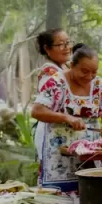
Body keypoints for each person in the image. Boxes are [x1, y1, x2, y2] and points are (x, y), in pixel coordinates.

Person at [31, 44, 102, 204]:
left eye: (94, 72)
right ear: (72, 65)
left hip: (90, 151)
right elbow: (37, 111)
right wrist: (66, 118)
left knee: (91, 190)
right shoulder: (56, 82)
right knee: (61, 197)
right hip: (58, 150)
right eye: (84, 71)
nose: (90, 77)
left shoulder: (101, 86)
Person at [32, 28, 74, 161]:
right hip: (52, 133)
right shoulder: (50, 73)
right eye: (60, 44)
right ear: (47, 49)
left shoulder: (66, 68)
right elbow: (38, 110)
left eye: (68, 42)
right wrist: (67, 118)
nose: (66, 47)